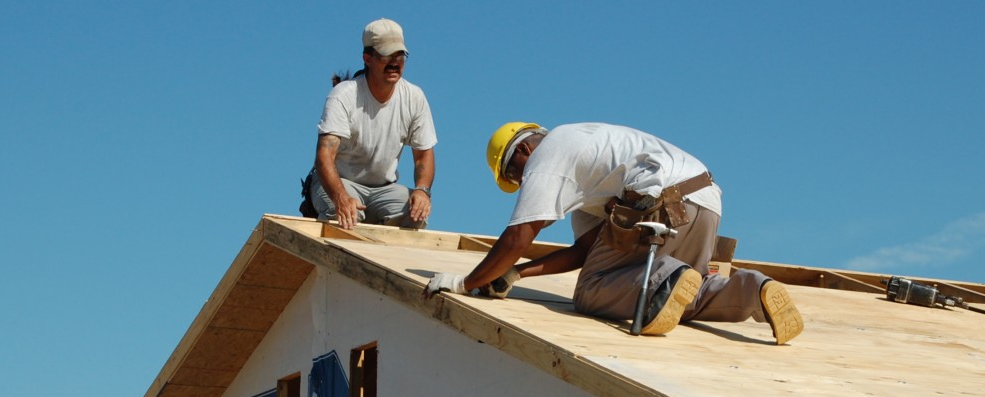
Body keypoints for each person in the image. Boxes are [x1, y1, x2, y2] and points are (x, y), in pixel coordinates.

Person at [423, 122, 804, 344]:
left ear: (523, 150)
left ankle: (663, 280)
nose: (521, 184)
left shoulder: (547, 157)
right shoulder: (588, 163)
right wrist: (516, 274)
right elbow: (585, 251)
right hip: (705, 200)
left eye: (514, 176)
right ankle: (753, 290)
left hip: (658, 199)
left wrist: (466, 283)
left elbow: (519, 235)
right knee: (682, 296)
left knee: (591, 292)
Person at [310, 18, 436, 229]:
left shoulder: (414, 97)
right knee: (344, 217)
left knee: (415, 217)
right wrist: (341, 197)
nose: (395, 62)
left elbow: (423, 155)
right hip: (341, 182)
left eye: (400, 55)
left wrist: (422, 191)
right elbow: (324, 156)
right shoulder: (343, 95)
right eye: (387, 55)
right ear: (367, 58)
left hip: (385, 189)